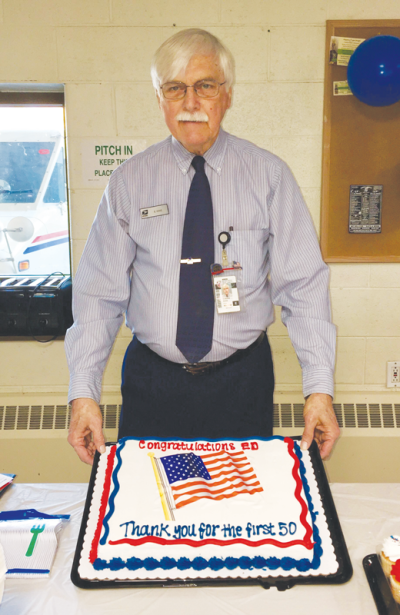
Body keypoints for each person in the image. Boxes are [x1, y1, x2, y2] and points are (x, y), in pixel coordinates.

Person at [65, 28, 339, 466]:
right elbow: (99, 294)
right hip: (152, 383)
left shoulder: (269, 176)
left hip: (240, 383)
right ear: (159, 99)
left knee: (240, 514)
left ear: (226, 95)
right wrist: (83, 393)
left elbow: (304, 285)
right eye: (175, 88)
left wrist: (319, 389)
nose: (191, 102)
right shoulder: (129, 182)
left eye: (205, 86)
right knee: (149, 513)